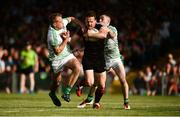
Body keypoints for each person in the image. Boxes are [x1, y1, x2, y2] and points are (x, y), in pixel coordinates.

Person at [77, 14, 130, 109]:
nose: (100, 20)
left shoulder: (112, 28)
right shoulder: (97, 29)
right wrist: (81, 48)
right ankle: (90, 100)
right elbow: (92, 44)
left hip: (115, 58)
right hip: (104, 59)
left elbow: (112, 35)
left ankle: (126, 102)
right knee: (97, 83)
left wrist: (105, 31)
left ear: (108, 22)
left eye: (103, 19)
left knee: (123, 80)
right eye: (99, 18)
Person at [47, 13, 81, 107]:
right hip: (56, 59)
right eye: (60, 21)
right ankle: (52, 93)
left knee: (77, 66)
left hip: (67, 55)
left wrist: (82, 26)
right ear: (55, 24)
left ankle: (67, 92)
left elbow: (72, 18)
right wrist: (66, 40)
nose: (63, 22)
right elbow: (57, 51)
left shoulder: (61, 23)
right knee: (57, 82)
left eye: (62, 20)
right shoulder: (52, 35)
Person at [76, 11, 109, 109]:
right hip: (88, 58)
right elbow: (74, 40)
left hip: (100, 58)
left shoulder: (101, 27)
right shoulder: (82, 29)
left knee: (102, 85)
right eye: (87, 21)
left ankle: (96, 103)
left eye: (91, 21)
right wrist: (77, 47)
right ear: (85, 21)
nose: (89, 24)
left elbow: (103, 35)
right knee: (90, 82)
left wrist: (90, 34)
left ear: (95, 21)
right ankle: (80, 84)